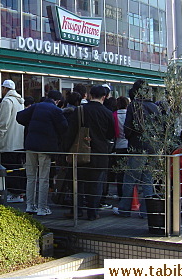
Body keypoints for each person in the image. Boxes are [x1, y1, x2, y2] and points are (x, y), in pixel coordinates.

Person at [64, 85, 115, 220]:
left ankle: (77, 210)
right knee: (96, 184)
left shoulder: (80, 110)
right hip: (100, 153)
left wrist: (65, 150)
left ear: (90, 95)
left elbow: (70, 133)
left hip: (80, 152)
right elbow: (111, 134)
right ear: (104, 97)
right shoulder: (108, 113)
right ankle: (93, 212)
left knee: (78, 182)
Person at [16, 90, 68, 216]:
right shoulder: (56, 110)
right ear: (58, 101)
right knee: (44, 178)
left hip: (30, 144)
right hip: (46, 147)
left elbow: (19, 117)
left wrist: (32, 125)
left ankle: (30, 205)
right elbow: (64, 127)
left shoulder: (36, 106)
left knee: (31, 176)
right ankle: (42, 207)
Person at [113, 79, 159, 217]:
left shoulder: (134, 105)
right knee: (148, 179)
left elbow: (128, 128)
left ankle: (124, 209)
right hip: (153, 146)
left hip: (137, 147)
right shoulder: (154, 106)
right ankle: (146, 212)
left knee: (130, 178)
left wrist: (131, 137)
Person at [0, 80, 26, 203]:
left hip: (8, 141)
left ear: (5, 89)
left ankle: (13, 193)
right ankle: (19, 193)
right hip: (18, 141)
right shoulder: (19, 101)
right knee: (17, 168)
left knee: (8, 168)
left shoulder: (7, 101)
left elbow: (3, 123)